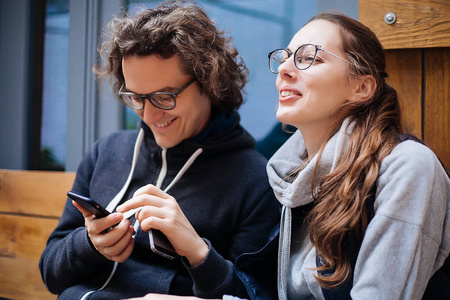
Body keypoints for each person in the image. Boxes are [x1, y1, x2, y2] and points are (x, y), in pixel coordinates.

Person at [130, 10, 450, 300]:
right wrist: (196, 251)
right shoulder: (293, 180)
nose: (283, 68)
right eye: (284, 58)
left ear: (362, 87)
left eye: (309, 57)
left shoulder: (407, 167)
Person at [38, 1, 280, 299]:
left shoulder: (255, 181)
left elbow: (250, 295)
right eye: (136, 98)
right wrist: (89, 244)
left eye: (164, 97)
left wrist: (199, 253)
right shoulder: (107, 152)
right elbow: (50, 274)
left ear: (210, 80)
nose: (149, 117)